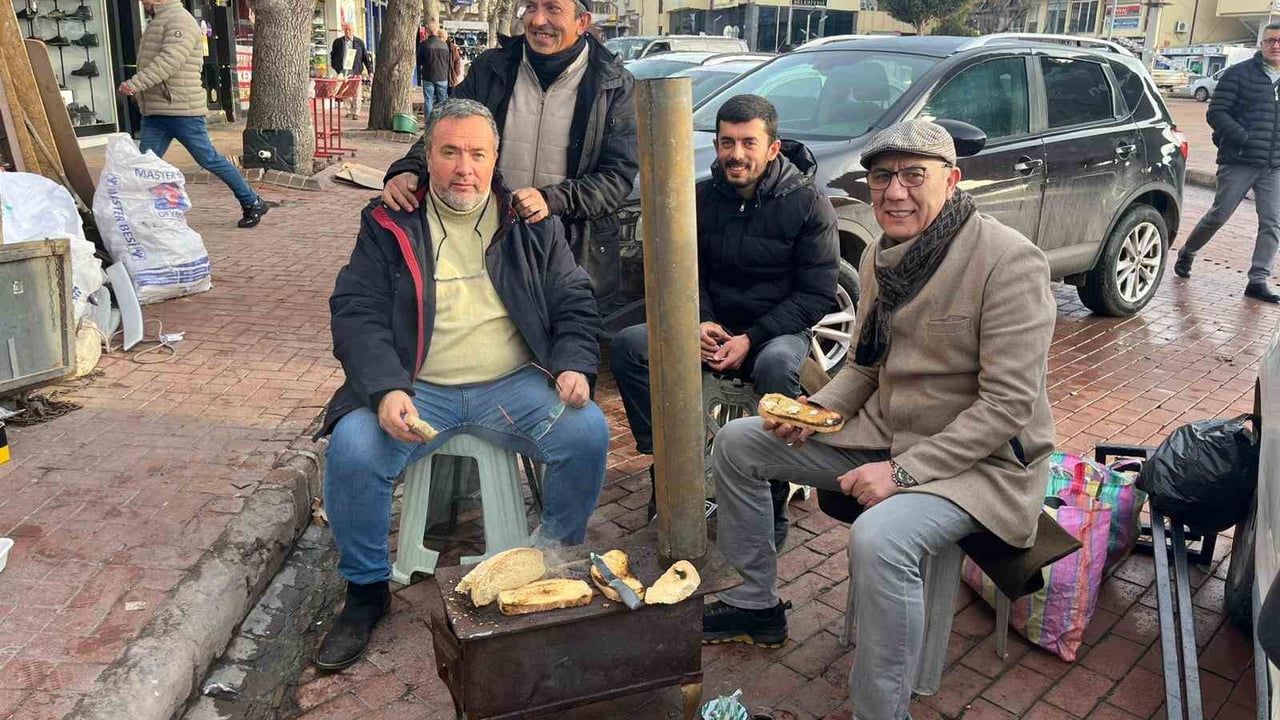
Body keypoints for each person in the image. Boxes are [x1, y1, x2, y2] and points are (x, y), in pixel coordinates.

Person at [704, 120, 1057, 720]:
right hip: (889, 437)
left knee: (880, 537)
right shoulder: (877, 256)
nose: (894, 192)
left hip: (983, 466)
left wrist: (902, 474)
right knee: (740, 443)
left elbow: (1007, 406)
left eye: (914, 175)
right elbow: (866, 366)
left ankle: (882, 710)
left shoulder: (1007, 261)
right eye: (882, 177)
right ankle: (756, 600)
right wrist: (820, 412)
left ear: (953, 179)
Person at [314, 99, 609, 671]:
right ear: (427, 157)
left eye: (477, 153)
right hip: (420, 389)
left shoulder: (529, 222)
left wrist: (574, 363)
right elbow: (356, 311)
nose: (463, 168)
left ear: (496, 157)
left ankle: (552, 556)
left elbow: (574, 299)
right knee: (352, 448)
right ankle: (366, 590)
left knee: (586, 431)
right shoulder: (390, 220)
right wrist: (385, 389)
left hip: (513, 386)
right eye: (449, 152)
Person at [609, 94, 838, 532]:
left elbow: (816, 295)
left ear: (772, 148)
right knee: (630, 346)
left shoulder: (809, 205)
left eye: (749, 143)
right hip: (711, 325)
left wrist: (750, 338)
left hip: (774, 333)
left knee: (774, 367)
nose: (736, 154)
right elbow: (684, 273)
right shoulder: (700, 199)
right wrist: (699, 320)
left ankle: (772, 500)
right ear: (716, 145)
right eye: (727, 142)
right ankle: (673, 460)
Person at [383, 0, 639, 313]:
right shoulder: (493, 68)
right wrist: (409, 168)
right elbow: (444, 131)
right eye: (530, 7)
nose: (538, 20)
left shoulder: (612, 84)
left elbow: (618, 176)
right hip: (490, 242)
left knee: (567, 349)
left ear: (581, 22)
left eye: (553, 9)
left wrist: (553, 200)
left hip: (575, 254)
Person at [118, 0, 267, 229]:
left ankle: (252, 201)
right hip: (157, 111)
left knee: (209, 159)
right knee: (144, 165)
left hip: (181, 110)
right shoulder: (158, 20)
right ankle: (137, 216)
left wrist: (136, 84)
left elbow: (170, 61)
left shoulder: (180, 20)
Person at [1174, 22, 1280, 303]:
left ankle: (1258, 279)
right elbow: (1217, 113)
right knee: (1219, 215)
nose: (1275, 46)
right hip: (1240, 160)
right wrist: (1243, 138)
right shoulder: (1239, 75)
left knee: (1272, 223)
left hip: (1274, 165)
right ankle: (1188, 252)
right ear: (1261, 44)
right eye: (1270, 40)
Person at [330, 22, 373, 121]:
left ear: (353, 31)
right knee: (345, 91)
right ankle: (349, 111)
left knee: (357, 92)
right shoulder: (338, 42)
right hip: (343, 70)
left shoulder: (359, 42)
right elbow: (333, 55)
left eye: (349, 30)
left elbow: (365, 57)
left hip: (356, 70)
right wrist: (335, 66)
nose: (347, 32)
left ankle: (356, 112)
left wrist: (370, 70)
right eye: (346, 30)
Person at [417, 21, 451, 118]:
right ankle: (441, 122)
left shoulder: (424, 44)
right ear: (437, 31)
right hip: (442, 76)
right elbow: (447, 61)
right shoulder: (444, 45)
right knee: (442, 101)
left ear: (427, 31)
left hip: (428, 76)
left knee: (428, 100)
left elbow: (419, 61)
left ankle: (429, 123)